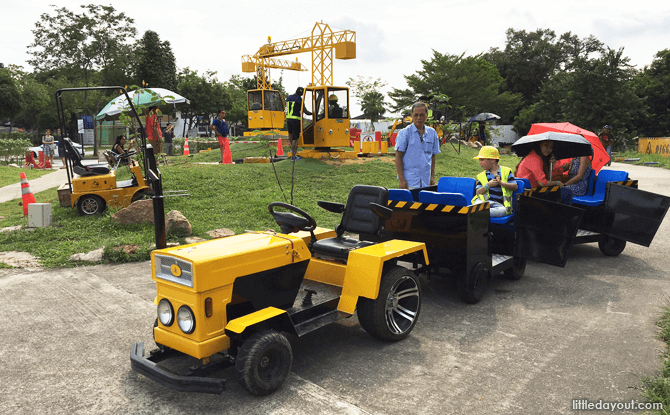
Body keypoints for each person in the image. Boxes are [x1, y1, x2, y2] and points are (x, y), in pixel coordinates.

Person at [394, 101, 441, 189]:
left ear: (426, 115)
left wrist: (432, 177)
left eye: (422, 115)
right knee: (409, 203)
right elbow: (398, 157)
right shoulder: (404, 133)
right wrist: (401, 180)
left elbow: (432, 156)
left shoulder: (432, 133)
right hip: (409, 181)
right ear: (412, 115)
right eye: (416, 115)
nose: (418, 118)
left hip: (426, 181)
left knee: (426, 203)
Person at [515, 140, 572, 204]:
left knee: (563, 192)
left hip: (533, 191)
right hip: (529, 193)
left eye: (551, 147)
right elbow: (542, 183)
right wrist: (557, 183)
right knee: (567, 192)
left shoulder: (536, 156)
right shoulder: (535, 158)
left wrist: (551, 166)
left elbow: (546, 179)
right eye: (546, 145)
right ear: (539, 145)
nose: (549, 149)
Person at [472, 146, 518, 217]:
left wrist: (501, 183)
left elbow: (515, 187)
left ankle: (479, 212)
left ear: (493, 160)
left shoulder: (506, 171)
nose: (480, 163)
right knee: (476, 203)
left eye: (482, 160)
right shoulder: (482, 175)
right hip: (484, 203)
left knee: (503, 211)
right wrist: (488, 185)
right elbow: (478, 192)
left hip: (499, 205)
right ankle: (481, 212)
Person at [286, 87, 312, 159]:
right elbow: (305, 111)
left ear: (296, 90)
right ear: (302, 94)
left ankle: (292, 149)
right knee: (295, 138)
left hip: (288, 119)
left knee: (290, 134)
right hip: (295, 120)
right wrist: (313, 113)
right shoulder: (300, 100)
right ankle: (293, 156)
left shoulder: (289, 97)